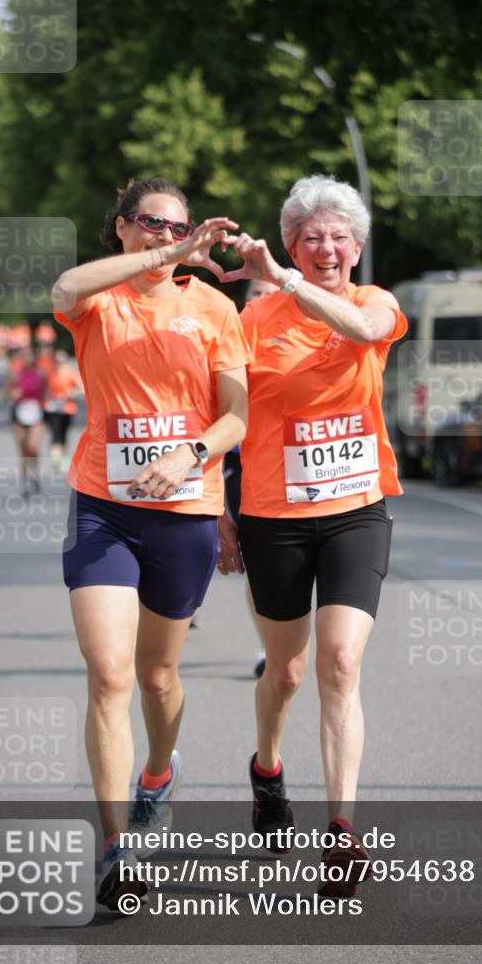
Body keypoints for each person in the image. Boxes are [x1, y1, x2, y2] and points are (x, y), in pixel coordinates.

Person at [51, 177, 250, 912]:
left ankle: (158, 773)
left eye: (177, 227)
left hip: (184, 508)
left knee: (157, 677)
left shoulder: (213, 307)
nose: (166, 235)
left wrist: (190, 453)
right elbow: (65, 285)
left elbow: (236, 417)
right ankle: (116, 850)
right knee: (109, 675)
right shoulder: (98, 299)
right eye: (151, 223)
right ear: (122, 227)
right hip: (103, 506)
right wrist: (162, 257)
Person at [217, 175, 407, 899]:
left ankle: (341, 829)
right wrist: (217, 509)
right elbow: (224, 418)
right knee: (287, 671)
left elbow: (361, 332)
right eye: (310, 238)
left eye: (338, 238)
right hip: (273, 514)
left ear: (355, 249)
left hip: (357, 508)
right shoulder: (251, 321)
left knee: (340, 663)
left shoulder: (374, 303)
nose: (326, 248)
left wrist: (285, 279)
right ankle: (267, 769)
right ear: (292, 245)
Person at [223, 279, 276, 677]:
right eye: (256, 293)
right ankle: (266, 645)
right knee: (259, 563)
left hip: (288, 464)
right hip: (242, 463)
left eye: (270, 294)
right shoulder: (229, 336)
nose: (261, 300)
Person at [3, 345, 46, 496]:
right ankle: (24, 484)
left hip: (36, 414)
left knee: (33, 447)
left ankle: (34, 471)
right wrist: (12, 394)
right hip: (19, 415)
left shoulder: (41, 373)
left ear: (34, 357)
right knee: (23, 451)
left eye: (29, 355)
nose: (27, 359)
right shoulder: (15, 374)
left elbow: (47, 392)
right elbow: (5, 394)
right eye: (24, 356)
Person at [43, 349, 83, 470]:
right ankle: (56, 460)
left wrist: (70, 394)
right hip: (52, 409)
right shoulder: (49, 373)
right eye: (56, 360)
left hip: (67, 409)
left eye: (61, 360)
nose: (59, 363)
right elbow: (43, 389)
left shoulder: (70, 372)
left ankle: (60, 458)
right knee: (55, 434)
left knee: (64, 435)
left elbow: (81, 389)